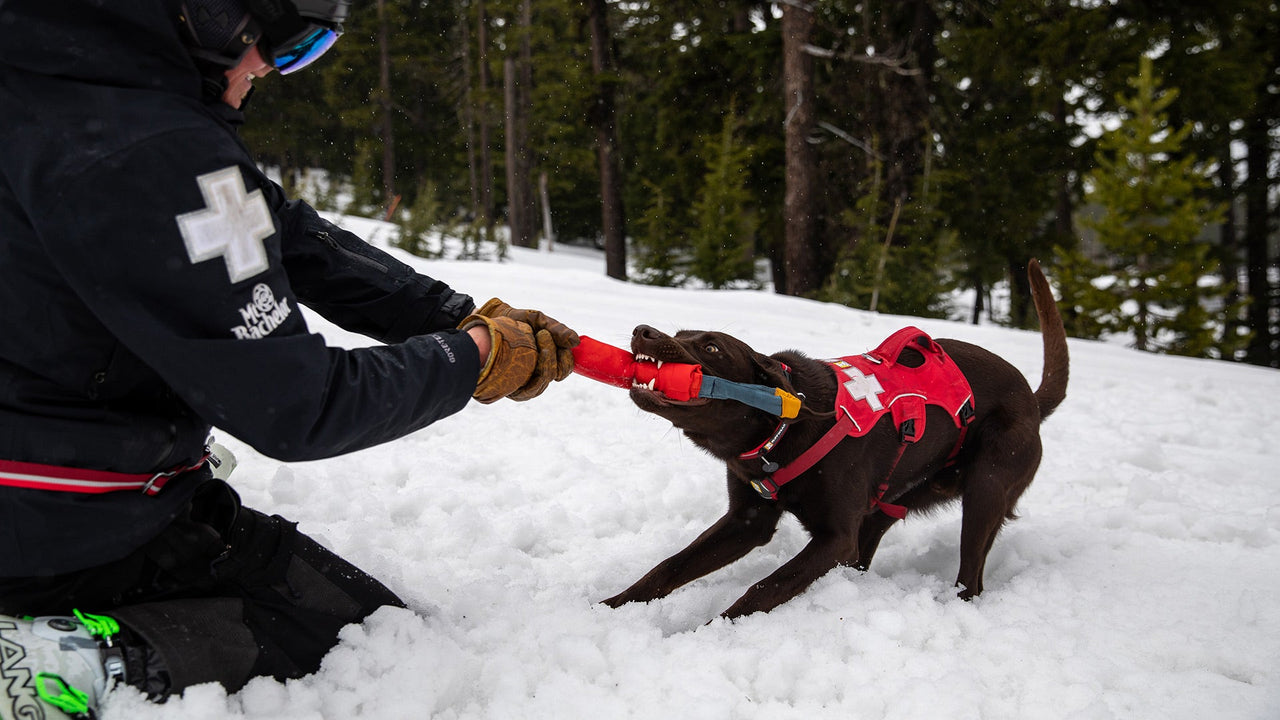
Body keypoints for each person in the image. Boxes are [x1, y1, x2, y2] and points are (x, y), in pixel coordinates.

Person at [0, 1, 579, 717]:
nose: (275, 66)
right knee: (359, 639)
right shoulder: (151, 143)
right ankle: (64, 665)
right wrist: (471, 356)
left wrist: (448, 314)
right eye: (287, 40)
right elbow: (299, 407)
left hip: (46, 453)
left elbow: (279, 231)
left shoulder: (63, 80)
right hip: (56, 517)